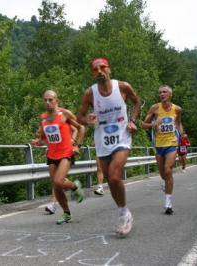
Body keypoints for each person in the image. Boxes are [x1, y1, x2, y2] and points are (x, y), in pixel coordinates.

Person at [77, 58, 141, 235]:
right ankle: (124, 211)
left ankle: (123, 214)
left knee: (113, 177)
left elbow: (137, 102)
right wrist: (87, 120)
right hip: (102, 141)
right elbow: (79, 117)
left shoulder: (122, 87)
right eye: (95, 69)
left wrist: (133, 121)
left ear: (109, 69)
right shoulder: (90, 93)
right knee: (110, 182)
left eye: (102, 68)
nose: (99, 71)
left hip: (122, 137)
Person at [31, 90, 85, 224]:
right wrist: (37, 143)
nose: (47, 102)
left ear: (57, 101)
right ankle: (67, 213)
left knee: (59, 181)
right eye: (45, 100)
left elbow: (81, 128)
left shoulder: (64, 114)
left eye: (50, 100)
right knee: (56, 186)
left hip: (66, 153)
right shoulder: (43, 118)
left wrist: (77, 146)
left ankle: (74, 187)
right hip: (52, 154)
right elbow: (44, 138)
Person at [141, 85, 185, 215]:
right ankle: (166, 182)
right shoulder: (155, 108)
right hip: (158, 144)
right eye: (160, 92)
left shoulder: (177, 109)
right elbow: (143, 125)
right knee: (163, 174)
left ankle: (168, 203)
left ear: (170, 94)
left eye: (164, 92)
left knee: (168, 169)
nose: (162, 94)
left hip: (171, 143)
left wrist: (182, 133)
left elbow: (178, 123)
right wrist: (153, 124)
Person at [44, 125, 78, 214]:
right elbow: (41, 133)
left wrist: (73, 140)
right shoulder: (46, 119)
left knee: (57, 181)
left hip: (65, 152)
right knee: (56, 181)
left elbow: (76, 129)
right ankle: (73, 186)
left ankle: (53, 204)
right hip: (53, 153)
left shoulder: (63, 116)